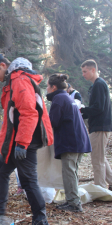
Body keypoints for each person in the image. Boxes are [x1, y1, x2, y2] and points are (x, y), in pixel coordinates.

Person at [0, 54, 53, 225]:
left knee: (28, 180)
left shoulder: (20, 80)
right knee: (1, 171)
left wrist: (22, 144)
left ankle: (40, 219)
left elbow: (29, 113)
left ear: (3, 65)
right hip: (16, 142)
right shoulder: (13, 81)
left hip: (24, 141)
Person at [46, 74, 92, 212]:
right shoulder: (67, 97)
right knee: (73, 172)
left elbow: (52, 122)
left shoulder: (59, 98)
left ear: (53, 87)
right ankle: (73, 200)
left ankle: (73, 203)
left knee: (69, 173)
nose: (47, 89)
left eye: (48, 86)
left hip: (70, 141)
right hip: (78, 140)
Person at [80, 59, 112, 191]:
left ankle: (100, 188)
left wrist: (82, 110)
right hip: (100, 126)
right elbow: (96, 108)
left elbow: (98, 108)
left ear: (93, 70)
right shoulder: (97, 85)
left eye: (85, 71)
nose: (83, 74)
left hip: (100, 126)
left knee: (97, 160)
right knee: (101, 157)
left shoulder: (99, 84)